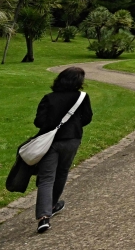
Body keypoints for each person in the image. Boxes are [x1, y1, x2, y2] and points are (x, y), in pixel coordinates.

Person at [33, 66, 93, 234]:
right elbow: (87, 118)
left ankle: (43, 217)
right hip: (72, 139)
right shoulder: (82, 97)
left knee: (46, 178)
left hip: (50, 142)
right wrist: (74, 125)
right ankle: (52, 204)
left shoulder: (49, 98)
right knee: (62, 172)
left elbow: (39, 121)